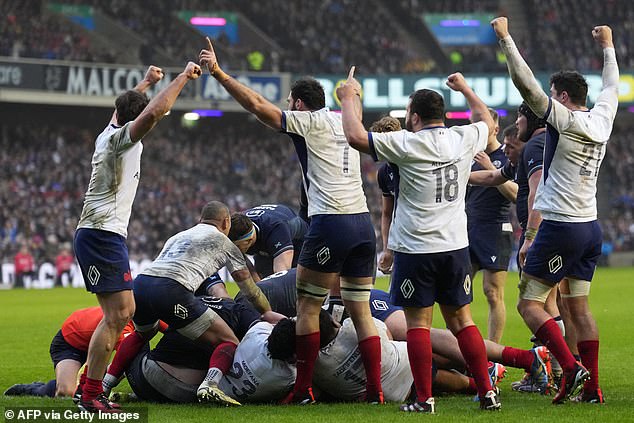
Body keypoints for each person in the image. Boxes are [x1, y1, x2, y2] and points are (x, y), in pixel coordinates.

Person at [200, 40, 383, 405]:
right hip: (364, 223)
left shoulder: (308, 121)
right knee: (360, 310)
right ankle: (375, 390)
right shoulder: (347, 120)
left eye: (289, 102)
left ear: (299, 103)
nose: (287, 107)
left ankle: (303, 390)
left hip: (330, 222)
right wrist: (352, 93)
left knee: (309, 309)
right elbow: (354, 113)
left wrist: (219, 73)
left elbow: (256, 105)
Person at [338, 68, 500, 413]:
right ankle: (487, 392)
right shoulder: (463, 138)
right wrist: (467, 87)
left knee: (418, 325)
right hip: (456, 246)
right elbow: (487, 120)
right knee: (463, 321)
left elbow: (353, 136)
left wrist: (349, 97)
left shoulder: (406, 144)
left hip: (417, 249)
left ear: (413, 116)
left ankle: (424, 399)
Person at [491, 17, 618, 404]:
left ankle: (571, 367)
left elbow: (525, 84)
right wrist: (608, 46)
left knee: (528, 303)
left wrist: (506, 39)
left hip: (560, 226)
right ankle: (592, 387)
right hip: (590, 228)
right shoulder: (603, 116)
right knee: (577, 307)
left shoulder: (563, 119)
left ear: (562, 97)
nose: (545, 97)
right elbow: (611, 85)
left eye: (551, 93)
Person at [72, 62, 201, 413]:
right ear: (134, 118)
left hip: (104, 234)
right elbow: (157, 111)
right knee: (117, 317)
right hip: (101, 234)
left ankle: (88, 387)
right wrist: (182, 78)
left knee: (124, 311)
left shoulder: (107, 130)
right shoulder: (120, 139)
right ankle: (90, 395)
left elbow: (126, 106)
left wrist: (145, 82)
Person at [101, 201, 285, 407]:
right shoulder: (224, 243)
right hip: (171, 290)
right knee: (228, 340)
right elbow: (250, 290)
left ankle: (104, 386)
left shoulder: (177, 236)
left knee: (141, 334)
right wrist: (267, 311)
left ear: (201, 219)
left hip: (141, 285)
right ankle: (210, 384)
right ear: (226, 222)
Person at [3, 307, 140, 398]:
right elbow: (123, 362)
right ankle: (34, 389)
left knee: (121, 363)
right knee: (66, 391)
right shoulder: (125, 323)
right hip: (69, 344)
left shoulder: (134, 316)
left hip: (96, 346)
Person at [466, 108, 517, 343]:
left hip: (495, 230)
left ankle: (492, 355)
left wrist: (491, 169)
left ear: (494, 128)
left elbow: (516, 194)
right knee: (456, 293)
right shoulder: (467, 155)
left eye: (482, 125)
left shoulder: (506, 156)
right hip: (466, 229)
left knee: (492, 292)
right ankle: (461, 350)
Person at [228, 203, 308, 278]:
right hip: (265, 239)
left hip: (299, 243)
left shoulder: (276, 230)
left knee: (293, 281)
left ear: (249, 241)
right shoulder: (237, 226)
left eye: (238, 246)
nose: (234, 250)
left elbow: (282, 275)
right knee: (263, 280)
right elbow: (248, 272)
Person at [370, 117, 402, 275]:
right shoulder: (384, 172)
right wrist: (387, 249)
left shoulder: (414, 162)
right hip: (402, 239)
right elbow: (387, 213)